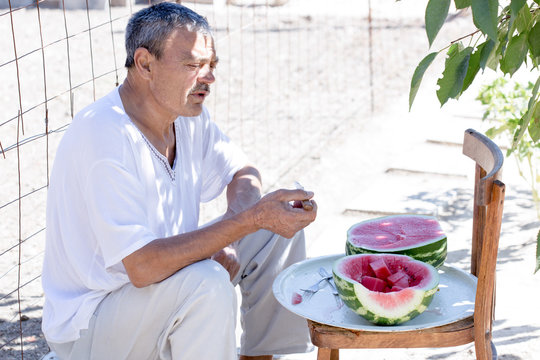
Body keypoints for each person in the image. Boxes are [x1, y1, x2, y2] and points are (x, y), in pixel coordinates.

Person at [41, 2, 317, 360]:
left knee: (274, 227)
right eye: (192, 65)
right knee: (209, 282)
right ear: (144, 64)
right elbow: (141, 267)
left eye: (211, 65)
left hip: (163, 287)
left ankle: (264, 356)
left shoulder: (185, 114)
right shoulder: (104, 134)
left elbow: (243, 173)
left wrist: (240, 231)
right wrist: (243, 223)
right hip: (92, 326)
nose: (208, 78)